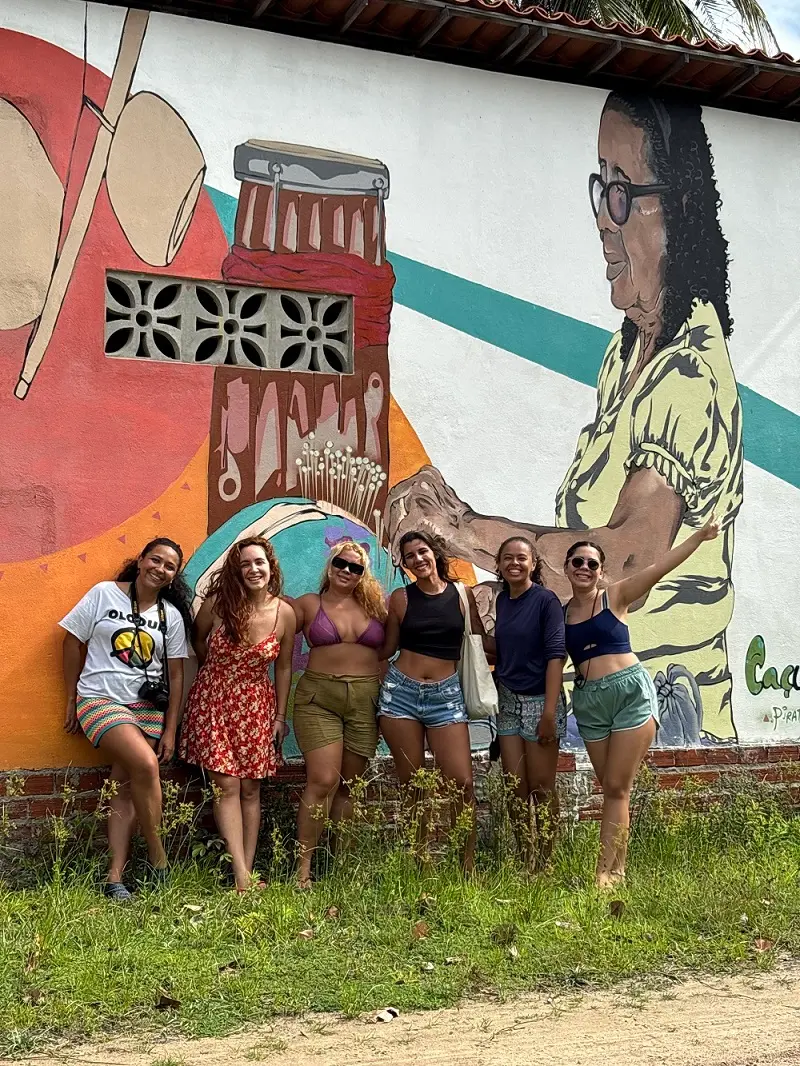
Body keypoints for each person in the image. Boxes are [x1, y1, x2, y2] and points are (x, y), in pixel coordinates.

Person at [385, 91, 742, 746]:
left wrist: (462, 530)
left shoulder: (688, 376)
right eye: (599, 190)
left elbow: (619, 562)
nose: (603, 220)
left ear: (681, 210)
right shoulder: (627, 353)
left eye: (622, 194)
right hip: (597, 699)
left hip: (663, 713)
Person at [563, 516, 720, 888]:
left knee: (617, 787)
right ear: (566, 567)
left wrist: (699, 537)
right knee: (612, 788)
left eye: (592, 564)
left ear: (601, 572)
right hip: (589, 702)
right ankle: (617, 871)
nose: (584, 567)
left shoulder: (615, 596)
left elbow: (659, 567)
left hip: (629, 693)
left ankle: (605, 873)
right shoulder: (561, 612)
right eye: (577, 562)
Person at [61, 537, 192, 901]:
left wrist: (170, 728)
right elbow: (71, 641)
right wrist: (71, 697)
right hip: (99, 700)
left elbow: (176, 675)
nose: (160, 569)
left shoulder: (170, 615)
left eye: (170, 566)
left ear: (174, 575)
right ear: (141, 559)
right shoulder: (104, 594)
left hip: (147, 709)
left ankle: (114, 877)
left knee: (123, 787)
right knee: (146, 765)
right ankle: (159, 860)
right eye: (156, 560)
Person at [180, 536, 296, 893]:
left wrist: (279, 717)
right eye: (245, 564)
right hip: (214, 700)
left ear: (270, 566)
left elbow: (284, 668)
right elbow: (197, 640)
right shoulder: (218, 604)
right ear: (236, 570)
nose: (253, 569)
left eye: (259, 562)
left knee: (250, 789)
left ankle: (248, 869)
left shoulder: (285, 613)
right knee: (226, 785)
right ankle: (241, 877)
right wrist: (218, 672)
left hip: (257, 705)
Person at [379, 529, 487, 872]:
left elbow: (480, 641)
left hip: (447, 696)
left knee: (462, 783)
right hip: (401, 694)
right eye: (410, 556)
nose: (418, 559)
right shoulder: (400, 598)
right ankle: (421, 865)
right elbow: (387, 648)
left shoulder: (462, 594)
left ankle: (467, 867)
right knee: (413, 785)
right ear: (405, 564)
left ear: (434, 553)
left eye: (422, 551)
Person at [291, 541, 387, 888]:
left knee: (350, 785)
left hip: (365, 699)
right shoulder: (308, 604)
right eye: (341, 564)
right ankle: (302, 871)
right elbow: (272, 624)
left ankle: (339, 865)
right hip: (319, 698)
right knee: (322, 780)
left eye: (356, 567)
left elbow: (389, 652)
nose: (347, 571)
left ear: (363, 574)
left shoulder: (376, 606)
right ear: (330, 566)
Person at [493, 537, 566, 870]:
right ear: (499, 564)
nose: (514, 563)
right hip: (508, 699)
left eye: (521, 558)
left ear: (533, 564)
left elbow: (555, 656)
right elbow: (506, 649)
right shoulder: (502, 601)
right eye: (507, 558)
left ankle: (545, 864)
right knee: (515, 787)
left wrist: (549, 713)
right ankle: (526, 860)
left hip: (540, 701)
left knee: (541, 787)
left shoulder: (545, 601)